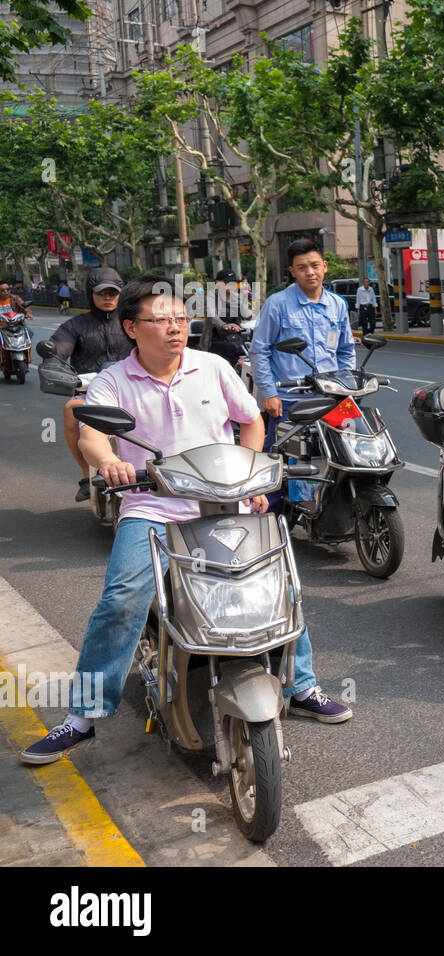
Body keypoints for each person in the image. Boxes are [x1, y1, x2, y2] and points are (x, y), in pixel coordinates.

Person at [19, 276, 350, 766]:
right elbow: (91, 433)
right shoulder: (113, 380)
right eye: (162, 320)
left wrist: (251, 472)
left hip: (223, 501)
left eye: (181, 318)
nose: (176, 328)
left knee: (276, 582)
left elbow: (251, 419)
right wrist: (106, 460)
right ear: (132, 328)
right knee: (122, 598)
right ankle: (83, 717)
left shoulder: (213, 366)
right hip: (152, 505)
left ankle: (300, 685)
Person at [250, 238, 354, 507]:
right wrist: (269, 393)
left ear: (325, 267)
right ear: (292, 271)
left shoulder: (338, 305)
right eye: (302, 267)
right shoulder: (278, 304)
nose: (310, 272)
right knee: (276, 466)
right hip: (288, 400)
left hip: (332, 399)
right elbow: (259, 350)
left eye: (315, 265)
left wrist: (348, 386)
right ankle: (269, 524)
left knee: (356, 449)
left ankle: (337, 506)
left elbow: (345, 350)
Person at [48, 267, 133, 502]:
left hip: (135, 389)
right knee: (70, 410)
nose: (108, 297)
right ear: (90, 294)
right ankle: (87, 475)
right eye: (102, 293)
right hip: (90, 393)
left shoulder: (134, 322)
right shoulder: (75, 325)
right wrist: (54, 366)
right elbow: (57, 352)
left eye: (113, 293)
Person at [199, 269, 245, 367]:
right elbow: (212, 315)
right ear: (217, 283)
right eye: (227, 282)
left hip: (236, 338)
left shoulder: (238, 298)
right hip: (214, 341)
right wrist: (224, 325)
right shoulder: (210, 297)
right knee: (230, 349)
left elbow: (248, 315)